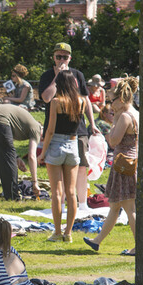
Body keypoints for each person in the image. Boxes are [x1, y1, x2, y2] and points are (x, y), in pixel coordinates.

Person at [38, 42, 98, 213]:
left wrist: (92, 124)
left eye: (65, 57)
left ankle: (83, 203)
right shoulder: (47, 75)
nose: (62, 60)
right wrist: (58, 77)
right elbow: (46, 98)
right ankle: (61, 204)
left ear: (70, 58)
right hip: (55, 128)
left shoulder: (77, 75)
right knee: (58, 169)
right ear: (53, 58)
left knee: (80, 167)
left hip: (77, 129)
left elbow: (85, 100)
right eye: (58, 57)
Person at [84, 78, 139, 254]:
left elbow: (114, 141)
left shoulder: (124, 116)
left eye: (111, 100)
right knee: (115, 205)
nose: (110, 104)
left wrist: (113, 122)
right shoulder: (134, 113)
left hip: (124, 165)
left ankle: (140, 246)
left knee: (130, 208)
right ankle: (97, 241)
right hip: (127, 164)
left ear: (121, 100)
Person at [39, 71, 85, 242]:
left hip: (56, 145)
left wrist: (43, 153)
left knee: (57, 193)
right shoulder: (81, 101)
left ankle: (57, 232)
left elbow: (50, 130)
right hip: (73, 145)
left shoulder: (56, 102)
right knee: (71, 192)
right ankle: (69, 233)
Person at [0, 104, 41, 201]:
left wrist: (16, 157)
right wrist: (34, 182)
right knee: (9, 160)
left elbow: (7, 143)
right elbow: (32, 156)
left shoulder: (25, 124)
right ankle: (13, 196)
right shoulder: (37, 129)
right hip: (0, 120)